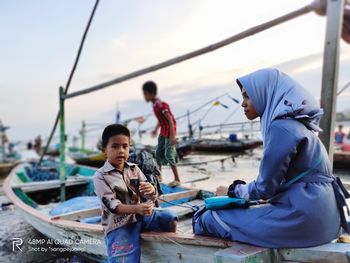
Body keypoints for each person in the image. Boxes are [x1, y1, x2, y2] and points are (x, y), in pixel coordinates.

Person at [193, 68, 349, 248]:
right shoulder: (300, 126)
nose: (243, 104)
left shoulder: (280, 127)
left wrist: (232, 191)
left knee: (207, 217)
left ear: (264, 93)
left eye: (247, 96)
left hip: (305, 221)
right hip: (328, 220)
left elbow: (264, 188)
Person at [93, 124, 177, 263]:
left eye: (125, 146)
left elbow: (151, 195)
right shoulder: (100, 176)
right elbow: (113, 207)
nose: (121, 151)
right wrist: (137, 208)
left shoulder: (134, 169)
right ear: (104, 150)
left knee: (169, 217)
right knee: (124, 259)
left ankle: (168, 252)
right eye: (115, 146)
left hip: (140, 217)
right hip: (118, 223)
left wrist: (151, 190)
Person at [142, 81, 180, 186]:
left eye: (145, 94)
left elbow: (170, 120)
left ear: (151, 93)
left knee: (169, 154)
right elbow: (160, 119)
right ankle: (159, 177)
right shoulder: (154, 105)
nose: (144, 96)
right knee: (158, 154)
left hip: (169, 130)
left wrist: (172, 136)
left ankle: (177, 179)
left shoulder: (161, 105)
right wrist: (155, 129)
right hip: (163, 130)